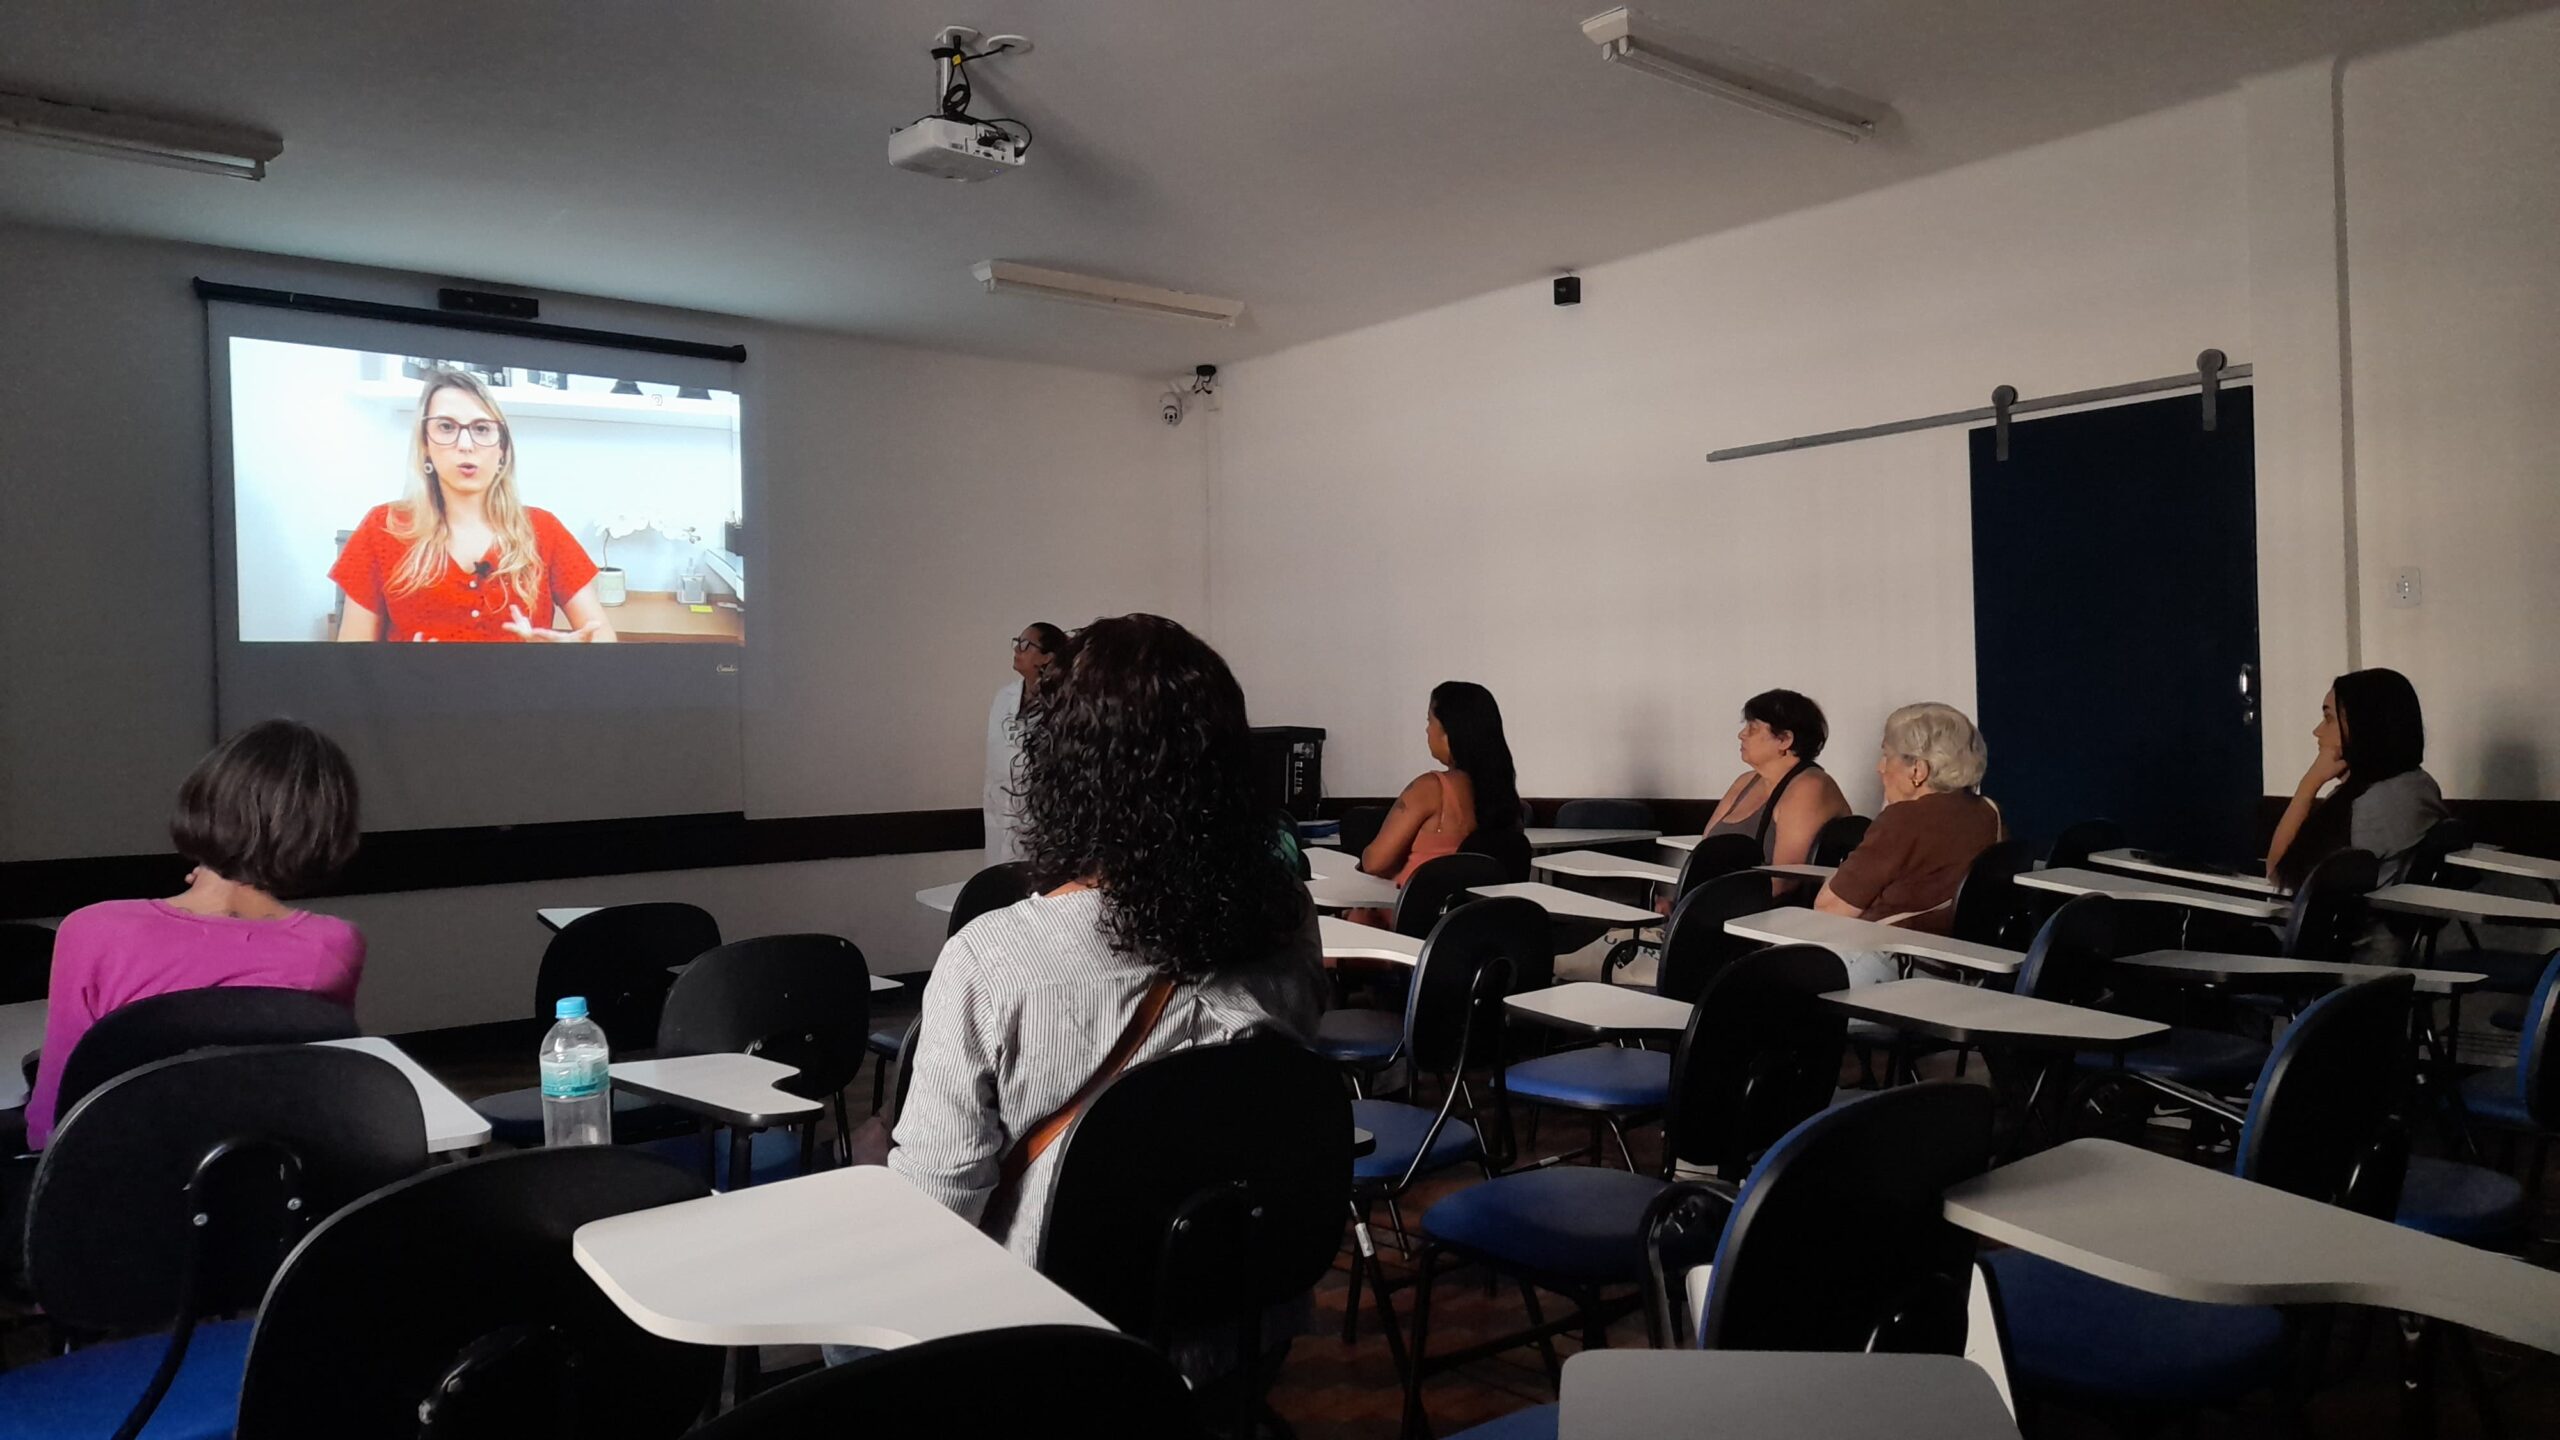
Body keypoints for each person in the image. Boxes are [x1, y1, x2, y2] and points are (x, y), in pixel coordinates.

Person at [892, 613, 1325, 1259]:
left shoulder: (989, 959)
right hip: (1243, 1316)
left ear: (1061, 771)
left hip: (1060, 1335)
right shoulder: (1288, 919)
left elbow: (936, 1220)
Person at [23, 719, 365, 1147]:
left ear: (204, 804)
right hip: (260, 1180)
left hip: (113, 1183)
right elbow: (324, 1083)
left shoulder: (92, 930)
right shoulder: (333, 945)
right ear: (327, 834)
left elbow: (54, 1111)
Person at [330, 367, 617, 643]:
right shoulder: (382, 527)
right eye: (446, 427)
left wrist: (571, 656)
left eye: (481, 428)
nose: (465, 444)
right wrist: (396, 671)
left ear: (502, 449)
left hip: (523, 692)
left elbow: (601, 633)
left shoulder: (544, 529)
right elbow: (352, 661)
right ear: (425, 446)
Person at [1814, 702, 2001, 984]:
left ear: (1918, 770)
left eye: (1886, 756)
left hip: (1890, 965)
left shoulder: (1904, 819)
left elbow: (1831, 910)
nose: (1879, 768)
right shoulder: (1988, 811)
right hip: (1959, 971)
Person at [2265, 668, 2450, 891]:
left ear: (2365, 727)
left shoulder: (2375, 806)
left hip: (2344, 925)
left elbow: (2279, 877)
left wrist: (2309, 783)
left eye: (2328, 719)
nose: (2317, 731)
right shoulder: (2420, 784)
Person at [1358, 680, 1523, 885]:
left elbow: (1375, 862)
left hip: (1411, 912)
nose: (1427, 731)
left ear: (1449, 731)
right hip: (1473, 913)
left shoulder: (1431, 788)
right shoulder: (1505, 795)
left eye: (1430, 721)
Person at [1696, 689, 1854, 866]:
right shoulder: (1745, 781)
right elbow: (1704, 848)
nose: (1741, 734)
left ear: (1785, 739)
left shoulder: (1809, 788)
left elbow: (1786, 879)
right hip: (1714, 891)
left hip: (1753, 893)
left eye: (1753, 728)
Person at [984, 622, 1066, 865]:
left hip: (1041, 819)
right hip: (999, 813)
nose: (1017, 650)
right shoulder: (1004, 697)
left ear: (1046, 657)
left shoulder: (1063, 703)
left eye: (1025, 645)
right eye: (1017, 643)